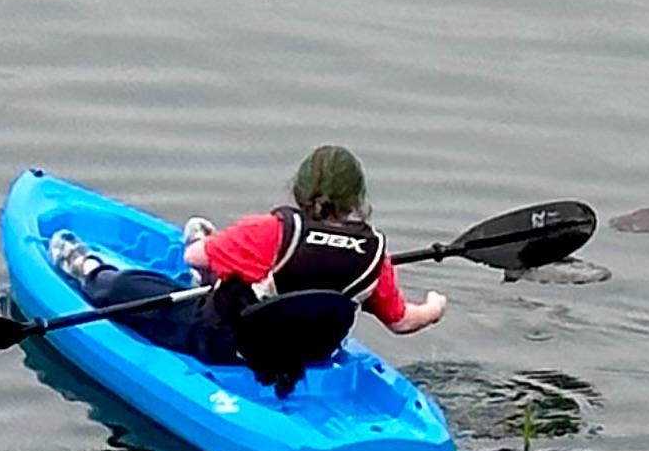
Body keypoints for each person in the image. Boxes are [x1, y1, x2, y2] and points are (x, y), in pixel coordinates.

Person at [48, 143, 446, 378]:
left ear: (299, 190)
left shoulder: (269, 231)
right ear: (358, 200)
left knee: (133, 287)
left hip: (227, 346)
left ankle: (89, 269)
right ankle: (211, 272)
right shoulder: (374, 256)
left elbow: (191, 256)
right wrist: (435, 306)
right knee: (242, 281)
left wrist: (207, 252)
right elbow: (402, 322)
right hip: (311, 357)